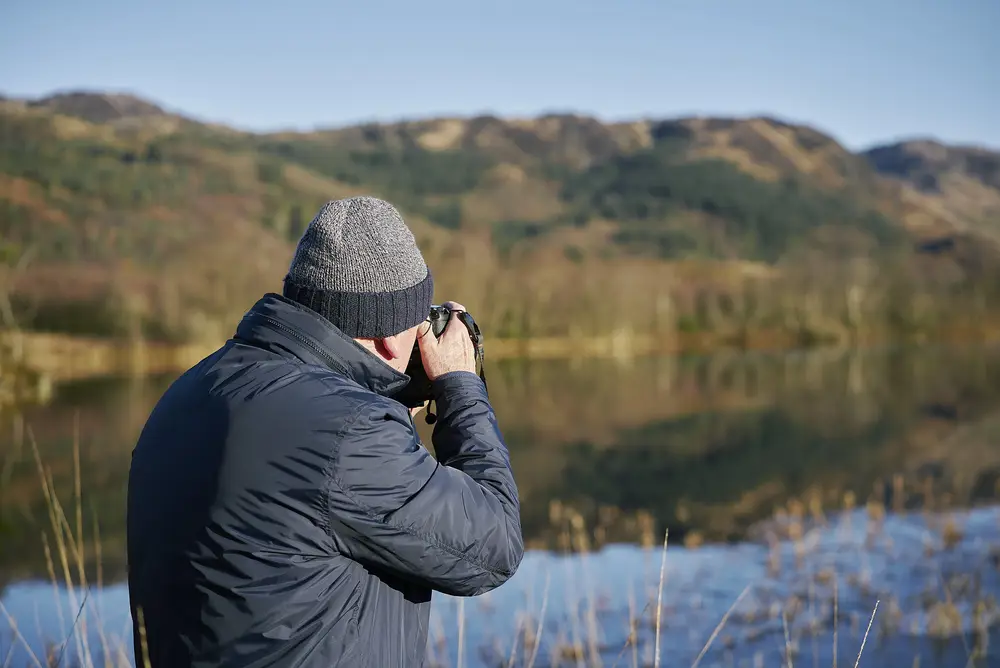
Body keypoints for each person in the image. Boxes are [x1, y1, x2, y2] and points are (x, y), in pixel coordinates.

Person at [125, 196, 524, 667]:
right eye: (420, 322)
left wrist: (385, 405)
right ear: (390, 335)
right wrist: (459, 386)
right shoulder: (350, 434)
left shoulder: (193, 389)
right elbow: (494, 546)